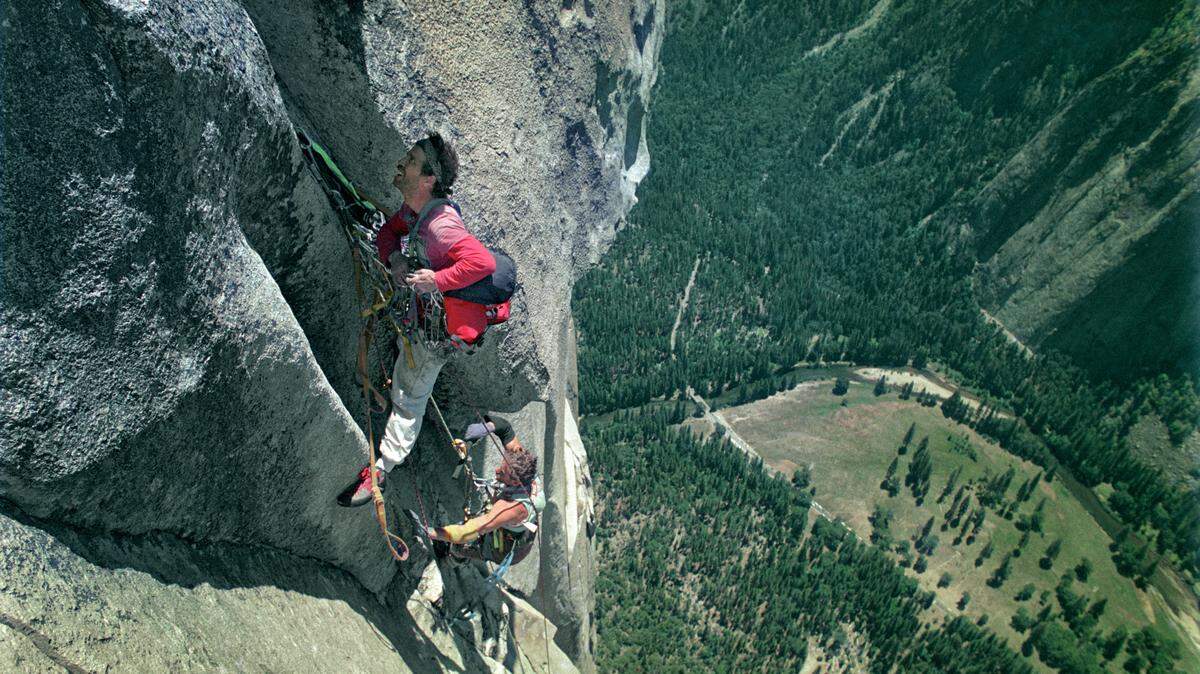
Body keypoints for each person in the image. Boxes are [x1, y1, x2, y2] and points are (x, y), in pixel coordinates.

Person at [341, 133, 502, 507]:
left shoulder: (440, 227)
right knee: (403, 376)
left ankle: (382, 470)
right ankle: (385, 398)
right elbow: (389, 231)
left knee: (410, 399)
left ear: (428, 179)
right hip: (417, 321)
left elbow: (483, 263)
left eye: (411, 160)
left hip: (433, 340)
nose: (402, 164)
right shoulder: (415, 213)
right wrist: (394, 259)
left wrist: (437, 280)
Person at [414, 416, 545, 565]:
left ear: (515, 481)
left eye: (502, 473)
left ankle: (454, 556)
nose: (496, 471)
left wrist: (428, 532)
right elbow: (505, 428)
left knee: (460, 546)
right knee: (477, 525)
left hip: (506, 549)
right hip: (518, 532)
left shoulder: (512, 508)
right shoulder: (523, 465)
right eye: (501, 466)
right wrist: (480, 433)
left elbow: (467, 532)